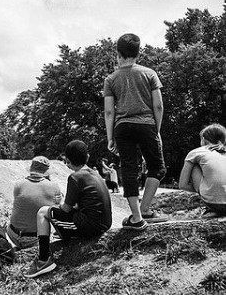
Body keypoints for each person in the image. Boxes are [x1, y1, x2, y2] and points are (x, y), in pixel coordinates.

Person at [103, 33, 167, 230]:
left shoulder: (111, 79)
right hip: (147, 124)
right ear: (138, 52)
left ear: (118, 53)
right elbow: (158, 106)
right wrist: (157, 131)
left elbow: (108, 110)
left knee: (129, 169)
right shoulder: (149, 73)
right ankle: (146, 207)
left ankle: (137, 217)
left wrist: (110, 137)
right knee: (158, 167)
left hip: (123, 127)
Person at [26, 140, 112, 278]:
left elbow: (66, 209)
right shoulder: (95, 173)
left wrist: (55, 207)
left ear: (68, 160)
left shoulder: (75, 177)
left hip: (91, 226)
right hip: (105, 223)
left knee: (43, 212)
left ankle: (43, 260)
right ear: (87, 157)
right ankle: (64, 233)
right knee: (58, 218)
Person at [7, 156, 62, 250]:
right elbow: (56, 211)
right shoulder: (54, 187)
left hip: (13, 235)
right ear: (46, 172)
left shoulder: (18, 185)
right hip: (35, 240)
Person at [179, 123, 226, 218]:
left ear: (203, 139)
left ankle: (214, 206)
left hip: (214, 203)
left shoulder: (196, 152)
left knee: (194, 163)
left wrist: (207, 189)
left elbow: (182, 185)